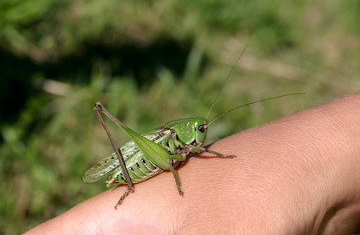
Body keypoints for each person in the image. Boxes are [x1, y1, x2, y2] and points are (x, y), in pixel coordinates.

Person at [24, 92, 360, 234]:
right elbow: (173, 158)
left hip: (160, 151)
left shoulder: (187, 140)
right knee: (165, 157)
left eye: (203, 132)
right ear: (189, 130)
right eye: (199, 132)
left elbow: (193, 151)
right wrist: (178, 178)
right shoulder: (176, 138)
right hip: (142, 160)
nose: (201, 136)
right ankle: (126, 182)